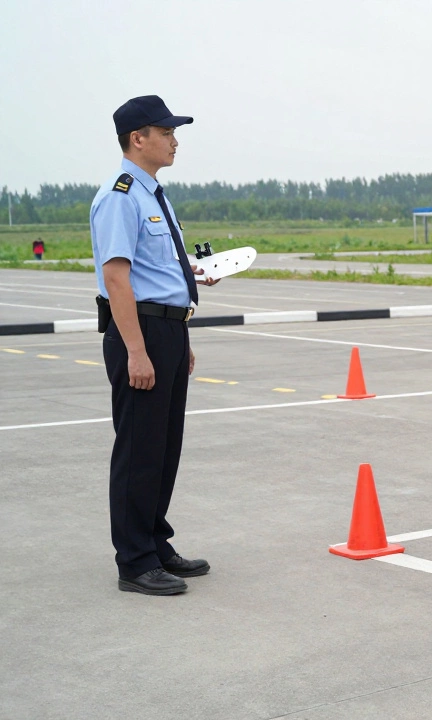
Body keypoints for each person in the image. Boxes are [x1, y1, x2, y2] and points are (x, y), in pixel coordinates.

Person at [91, 95, 219, 596]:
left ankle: (154, 541)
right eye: (165, 132)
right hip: (138, 332)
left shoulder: (154, 196)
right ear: (137, 139)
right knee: (139, 450)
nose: (174, 141)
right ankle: (135, 561)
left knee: (164, 448)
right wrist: (137, 350)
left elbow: (156, 271)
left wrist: (190, 286)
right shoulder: (121, 196)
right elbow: (117, 279)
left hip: (167, 330)